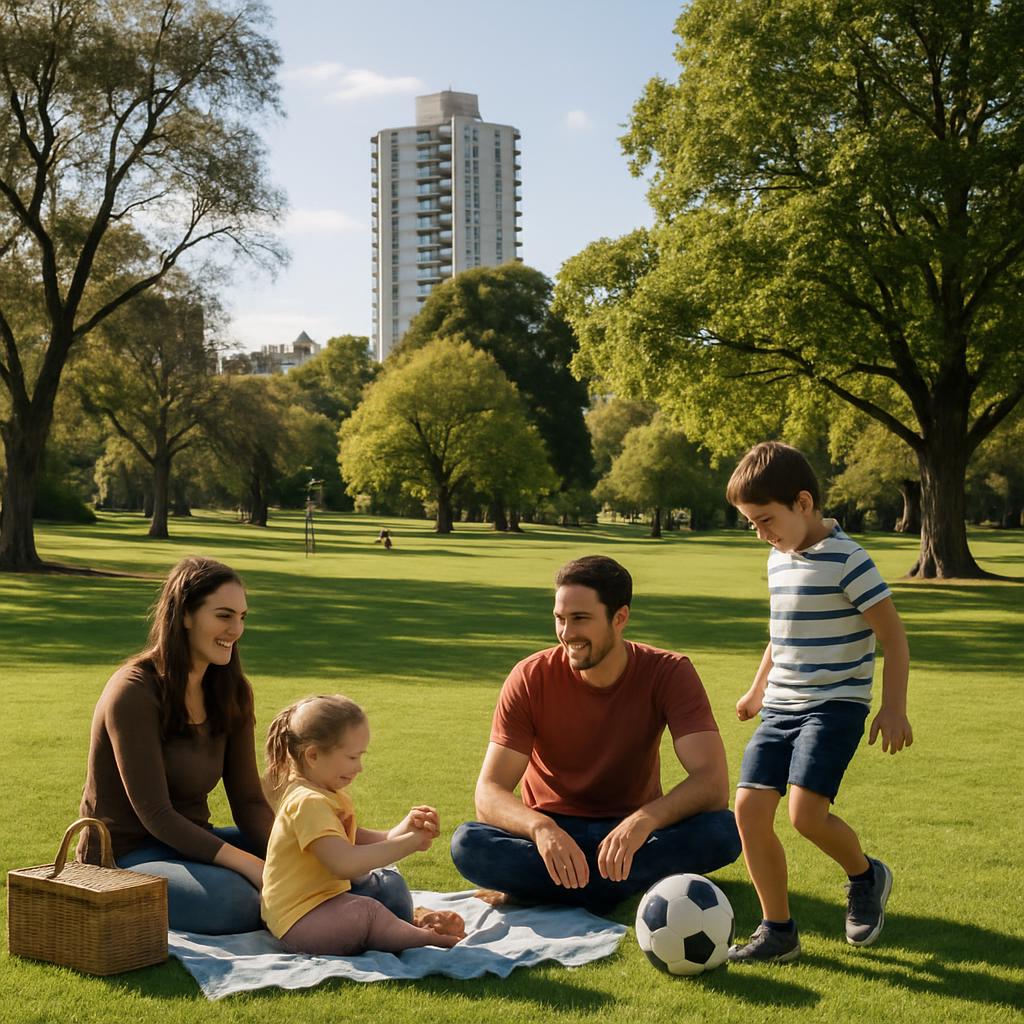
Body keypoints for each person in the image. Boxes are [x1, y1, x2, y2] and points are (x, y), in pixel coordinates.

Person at [450, 555, 741, 916]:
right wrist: (540, 828)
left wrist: (642, 821)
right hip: (553, 831)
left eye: (581, 619)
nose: (567, 633)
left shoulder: (669, 672)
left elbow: (712, 783)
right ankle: (615, 887)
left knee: (725, 831)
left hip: (634, 834)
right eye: (560, 619)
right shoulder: (530, 677)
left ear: (619, 618)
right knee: (468, 843)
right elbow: (488, 792)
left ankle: (561, 887)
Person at [724, 442, 913, 964]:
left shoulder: (850, 560)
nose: (761, 533)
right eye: (752, 524)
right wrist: (758, 688)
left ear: (803, 503)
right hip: (781, 706)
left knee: (807, 814)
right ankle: (778, 931)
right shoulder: (776, 558)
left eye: (766, 520)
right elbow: (781, 633)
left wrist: (893, 708)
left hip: (836, 704)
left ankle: (866, 875)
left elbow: (894, 640)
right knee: (748, 811)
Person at [79, 556, 273, 934]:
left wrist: (298, 854)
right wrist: (253, 866)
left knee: (338, 872)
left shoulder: (232, 691)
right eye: (223, 616)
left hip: (195, 843)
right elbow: (156, 814)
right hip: (128, 855)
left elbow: (249, 802)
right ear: (185, 615)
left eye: (242, 617)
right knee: (235, 900)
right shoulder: (133, 691)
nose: (236, 630)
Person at [260, 694, 464, 954]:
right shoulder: (308, 802)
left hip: (321, 904)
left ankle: (408, 927)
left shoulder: (323, 791)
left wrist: (400, 830)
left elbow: (351, 840)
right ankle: (425, 938)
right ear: (312, 755)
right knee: (367, 913)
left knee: (389, 886)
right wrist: (409, 843)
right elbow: (343, 863)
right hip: (298, 920)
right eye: (352, 757)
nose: (360, 768)